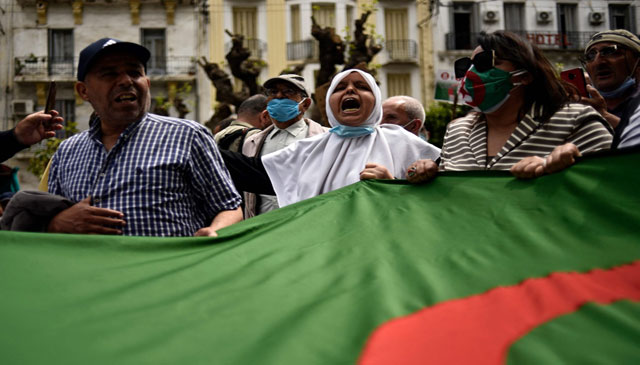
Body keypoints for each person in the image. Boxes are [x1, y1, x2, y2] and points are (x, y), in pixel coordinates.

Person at [47, 38, 242, 236]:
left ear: (147, 83)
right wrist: (56, 224)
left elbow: (230, 207)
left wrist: (214, 231)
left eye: (134, 72)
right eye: (109, 74)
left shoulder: (188, 136)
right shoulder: (66, 152)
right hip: (88, 266)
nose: (125, 81)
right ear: (83, 91)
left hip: (171, 267)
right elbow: (52, 221)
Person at [407, 31, 613, 182]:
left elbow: (612, 183)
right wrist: (423, 173)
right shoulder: (457, 130)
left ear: (525, 76)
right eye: (465, 66)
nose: (470, 73)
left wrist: (562, 169)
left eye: (484, 63)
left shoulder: (576, 120)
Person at [221, 69, 441, 208]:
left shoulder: (401, 141)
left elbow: (442, 189)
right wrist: (199, 143)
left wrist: (406, 179)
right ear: (329, 103)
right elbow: (253, 172)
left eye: (362, 87)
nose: (350, 90)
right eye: (340, 87)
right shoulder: (309, 149)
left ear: (375, 101)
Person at [242, 74, 327, 218]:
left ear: (305, 104)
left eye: (289, 92)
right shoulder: (251, 143)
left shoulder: (324, 139)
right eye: (273, 92)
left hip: (305, 224)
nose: (279, 96)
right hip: (262, 229)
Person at [580, 30, 640, 130]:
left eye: (609, 52)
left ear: (637, 62)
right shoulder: (582, 106)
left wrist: (603, 115)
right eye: (590, 56)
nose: (598, 62)